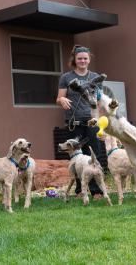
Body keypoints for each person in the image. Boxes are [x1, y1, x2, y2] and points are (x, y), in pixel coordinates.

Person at [56, 45, 104, 200]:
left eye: (85, 58)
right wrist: (62, 99)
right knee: (76, 157)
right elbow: (59, 98)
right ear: (75, 60)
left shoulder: (95, 77)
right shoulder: (66, 78)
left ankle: (97, 190)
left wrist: (101, 125)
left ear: (89, 59)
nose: (82, 61)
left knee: (94, 155)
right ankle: (79, 190)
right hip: (73, 122)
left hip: (91, 121)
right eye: (79, 58)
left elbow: (98, 101)